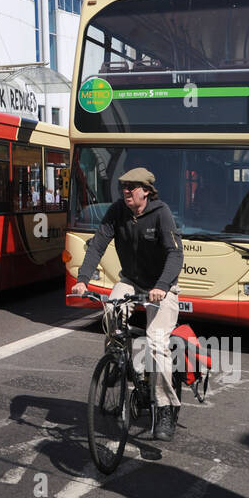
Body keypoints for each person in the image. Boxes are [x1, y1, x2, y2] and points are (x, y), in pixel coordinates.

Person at [70, 167, 185, 442]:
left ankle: (165, 408)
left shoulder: (161, 213)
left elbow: (174, 254)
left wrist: (161, 286)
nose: (126, 191)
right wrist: (83, 279)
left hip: (162, 285)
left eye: (132, 187)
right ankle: (118, 357)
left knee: (156, 340)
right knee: (111, 307)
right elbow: (97, 244)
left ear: (146, 190)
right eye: (123, 186)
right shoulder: (117, 212)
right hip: (131, 280)